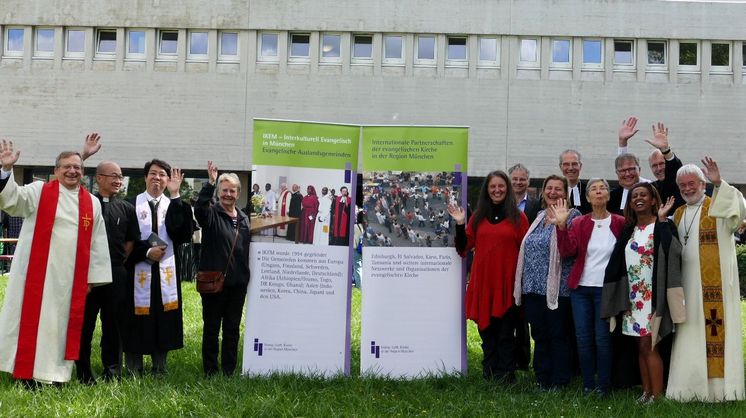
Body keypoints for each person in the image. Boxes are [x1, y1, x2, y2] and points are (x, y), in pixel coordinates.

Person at [0, 140, 111, 384]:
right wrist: (6, 170)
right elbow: (12, 201)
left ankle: (54, 375)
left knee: (58, 329)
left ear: (83, 172)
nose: (72, 171)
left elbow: (97, 243)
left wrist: (91, 279)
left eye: (77, 167)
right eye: (66, 167)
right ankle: (25, 374)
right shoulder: (39, 191)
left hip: (69, 281)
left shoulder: (91, 203)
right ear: (56, 170)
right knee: (31, 323)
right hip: (34, 276)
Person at [666, 159, 746, 402]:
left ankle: (720, 391)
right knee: (688, 334)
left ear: (702, 184)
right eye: (682, 186)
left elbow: (739, 211)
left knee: (715, 332)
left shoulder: (718, 206)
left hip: (716, 288)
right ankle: (688, 389)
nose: (687, 189)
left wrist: (719, 183)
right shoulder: (678, 213)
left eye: (692, 183)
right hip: (688, 287)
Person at [602, 182, 684, 403]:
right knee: (640, 346)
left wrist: (664, 219)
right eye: (634, 195)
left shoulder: (661, 225)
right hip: (632, 298)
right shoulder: (629, 229)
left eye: (643, 195)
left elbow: (674, 251)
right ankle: (646, 392)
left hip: (652, 296)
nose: (639, 198)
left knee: (651, 344)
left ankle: (657, 396)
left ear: (653, 200)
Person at [449, 171, 528, 383]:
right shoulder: (478, 216)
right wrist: (459, 223)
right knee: (486, 330)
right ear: (487, 190)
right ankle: (490, 371)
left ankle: (505, 374)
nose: (497, 190)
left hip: (507, 283)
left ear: (507, 188)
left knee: (504, 333)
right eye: (492, 186)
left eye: (501, 186)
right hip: (483, 282)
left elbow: (525, 251)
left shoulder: (518, 218)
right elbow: (464, 247)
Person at [552, 178, 625, 395]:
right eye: (594, 189)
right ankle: (587, 385)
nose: (599, 191)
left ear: (609, 195)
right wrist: (562, 226)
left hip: (606, 290)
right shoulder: (579, 223)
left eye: (602, 188)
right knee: (583, 339)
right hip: (581, 289)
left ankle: (603, 386)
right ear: (588, 197)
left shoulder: (620, 222)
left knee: (603, 339)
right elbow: (566, 252)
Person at [123, 159, 193, 376]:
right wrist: (145, 252)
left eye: (163, 174)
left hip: (166, 275)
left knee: (163, 318)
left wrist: (176, 196)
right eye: (153, 173)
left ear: (168, 179)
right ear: (145, 177)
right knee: (135, 318)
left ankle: (159, 368)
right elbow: (123, 242)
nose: (157, 178)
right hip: (136, 271)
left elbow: (183, 235)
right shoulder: (130, 204)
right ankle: (134, 368)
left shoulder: (175, 204)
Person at [76, 157, 140, 383]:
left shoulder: (126, 207)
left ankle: (112, 371)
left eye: (120, 176)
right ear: (99, 178)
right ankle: (83, 372)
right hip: (88, 276)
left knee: (113, 324)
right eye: (114, 176)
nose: (118, 180)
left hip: (116, 274)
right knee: (85, 324)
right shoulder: (85, 203)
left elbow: (131, 241)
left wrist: (118, 261)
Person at [514, 175, 581, 390]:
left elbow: (571, 251)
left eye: (558, 189)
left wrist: (561, 225)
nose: (553, 192)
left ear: (565, 193)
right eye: (549, 188)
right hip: (533, 288)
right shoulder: (539, 216)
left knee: (558, 335)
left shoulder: (574, 216)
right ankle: (542, 378)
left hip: (557, 290)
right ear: (543, 191)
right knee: (540, 335)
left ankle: (560, 380)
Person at [195, 161, 251, 376]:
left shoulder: (245, 218)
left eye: (232, 190)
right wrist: (209, 183)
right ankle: (210, 370)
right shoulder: (210, 214)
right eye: (224, 190)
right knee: (211, 329)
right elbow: (200, 208)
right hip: (214, 282)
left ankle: (228, 369)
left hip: (237, 285)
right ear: (218, 193)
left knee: (232, 329)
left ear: (238, 193)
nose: (228, 194)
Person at [508, 163, 539, 370]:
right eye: (515, 179)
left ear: (528, 181)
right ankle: (509, 354)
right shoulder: (502, 203)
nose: (518, 182)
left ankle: (523, 359)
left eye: (522, 179)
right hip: (508, 263)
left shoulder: (536, 205)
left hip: (528, 264)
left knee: (523, 314)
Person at [618, 118, 685, 211]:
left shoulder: (680, 182)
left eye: (662, 163)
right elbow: (627, 177)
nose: (659, 168)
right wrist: (622, 143)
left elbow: (675, 170)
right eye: (654, 165)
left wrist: (665, 150)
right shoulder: (652, 188)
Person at [559, 150, 591, 214]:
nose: (570, 168)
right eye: (566, 164)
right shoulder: (554, 192)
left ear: (580, 166)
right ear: (560, 167)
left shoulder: (589, 191)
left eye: (574, 164)